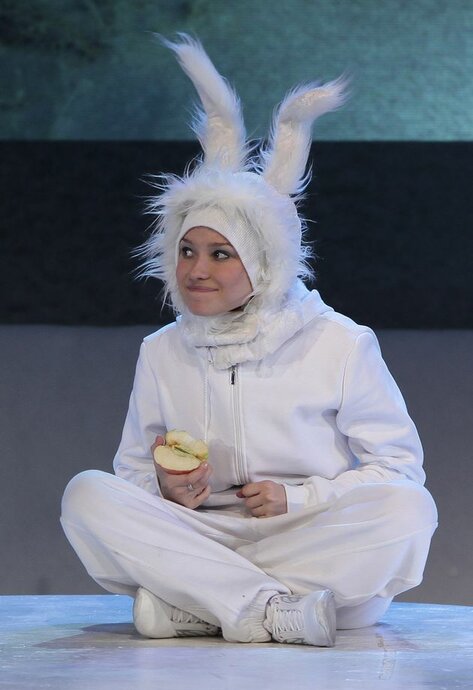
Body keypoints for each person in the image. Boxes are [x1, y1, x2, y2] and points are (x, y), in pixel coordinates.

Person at [60, 35, 438, 647]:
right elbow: (130, 472)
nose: (195, 271)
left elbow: (398, 469)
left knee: (408, 512)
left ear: (263, 262)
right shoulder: (162, 350)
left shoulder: (340, 342)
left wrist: (298, 499)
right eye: (186, 250)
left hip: (306, 535)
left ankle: (200, 605)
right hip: (201, 536)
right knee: (87, 496)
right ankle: (270, 610)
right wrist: (166, 489)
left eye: (220, 254)